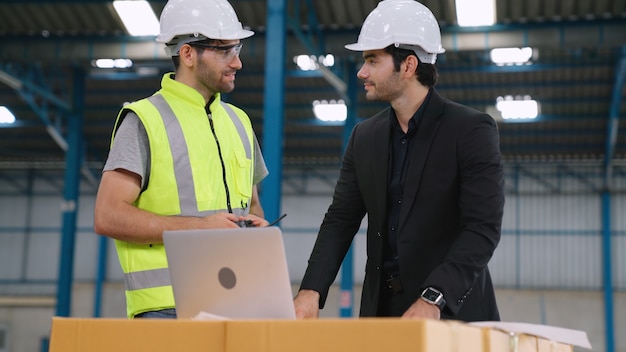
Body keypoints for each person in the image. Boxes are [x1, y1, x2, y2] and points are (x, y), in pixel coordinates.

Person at [293, 0, 504, 321]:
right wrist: (311, 291)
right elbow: (340, 219)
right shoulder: (365, 137)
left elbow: (482, 229)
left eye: (372, 60)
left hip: (449, 313)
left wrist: (434, 297)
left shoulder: (470, 130)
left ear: (407, 65)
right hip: (382, 312)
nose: (362, 71)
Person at [93, 0, 269, 319]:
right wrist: (201, 228)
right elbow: (107, 216)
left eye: (237, 49)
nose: (237, 63)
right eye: (224, 51)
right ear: (188, 54)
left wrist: (256, 228)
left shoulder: (239, 121)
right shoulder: (144, 119)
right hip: (167, 308)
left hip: (236, 300)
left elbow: (252, 205)